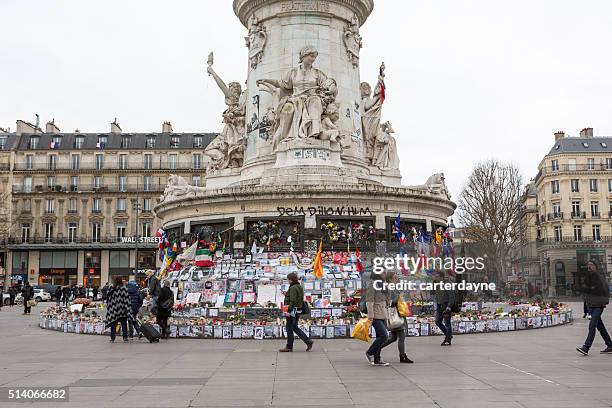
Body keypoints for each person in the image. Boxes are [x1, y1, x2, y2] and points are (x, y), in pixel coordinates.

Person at [576, 261, 612, 355]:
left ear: (596, 267)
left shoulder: (600, 277)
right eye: (588, 265)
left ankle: (586, 347)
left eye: (591, 265)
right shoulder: (587, 278)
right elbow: (584, 289)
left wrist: (605, 301)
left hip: (598, 305)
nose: (589, 267)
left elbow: (605, 290)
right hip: (590, 305)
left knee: (592, 325)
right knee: (600, 327)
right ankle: (610, 345)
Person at [380, 274, 413, 363]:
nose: (397, 278)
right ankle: (402, 356)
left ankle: (375, 349)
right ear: (390, 279)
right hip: (396, 315)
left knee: (393, 337)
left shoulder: (392, 287)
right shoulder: (390, 288)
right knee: (401, 336)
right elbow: (390, 302)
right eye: (395, 277)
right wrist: (399, 297)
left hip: (396, 315)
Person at [279, 272, 314, 352]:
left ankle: (289, 346)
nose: (288, 281)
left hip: (292, 310)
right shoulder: (299, 286)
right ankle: (308, 341)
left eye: (288, 279)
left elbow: (293, 300)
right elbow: (296, 298)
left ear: (291, 280)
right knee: (294, 327)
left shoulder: (293, 288)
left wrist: (289, 311)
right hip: (298, 310)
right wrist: (287, 294)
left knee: (289, 328)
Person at [365, 271, 390, 366]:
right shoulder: (372, 285)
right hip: (375, 315)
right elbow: (369, 302)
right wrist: (370, 316)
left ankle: (377, 359)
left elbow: (388, 299)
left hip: (383, 313)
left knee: (380, 337)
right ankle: (370, 352)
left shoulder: (382, 284)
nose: (385, 274)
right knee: (384, 336)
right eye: (383, 272)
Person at [105, 277, 131, 343]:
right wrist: (127, 307)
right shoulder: (124, 288)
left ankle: (112, 338)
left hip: (113, 309)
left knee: (113, 324)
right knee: (124, 324)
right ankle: (125, 338)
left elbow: (107, 297)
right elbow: (127, 299)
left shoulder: (112, 287)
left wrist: (109, 305)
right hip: (122, 309)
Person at [434, 273, 456, 346]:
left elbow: (452, 296)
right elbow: (437, 295)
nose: (435, 278)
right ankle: (449, 335)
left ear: (441, 277)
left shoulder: (447, 284)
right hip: (439, 306)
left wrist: (449, 306)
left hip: (446, 306)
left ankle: (447, 339)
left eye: (437, 276)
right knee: (437, 321)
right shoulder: (438, 284)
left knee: (447, 323)